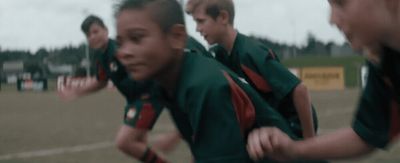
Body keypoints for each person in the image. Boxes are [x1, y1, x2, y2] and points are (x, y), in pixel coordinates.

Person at [115, 0, 297, 162]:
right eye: (120, 42)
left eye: (137, 38)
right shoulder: (167, 80)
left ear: (177, 37)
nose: (124, 52)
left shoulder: (203, 86)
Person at [246, 0, 400, 161]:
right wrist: (294, 149)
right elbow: (367, 135)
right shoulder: (385, 60)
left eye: (340, 3)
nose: (331, 19)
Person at [58, 14, 206, 161]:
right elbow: (100, 81)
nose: (92, 37)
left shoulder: (119, 49)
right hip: (134, 100)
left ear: (106, 30)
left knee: (125, 141)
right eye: (88, 35)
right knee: (139, 144)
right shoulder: (101, 57)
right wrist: (77, 92)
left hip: (148, 96)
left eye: (95, 31)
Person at [186, 0, 318, 139]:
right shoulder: (220, 54)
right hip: (266, 128)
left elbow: (299, 90)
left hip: (292, 126)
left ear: (223, 17)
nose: (197, 29)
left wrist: (309, 141)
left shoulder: (251, 53)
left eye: (201, 21)